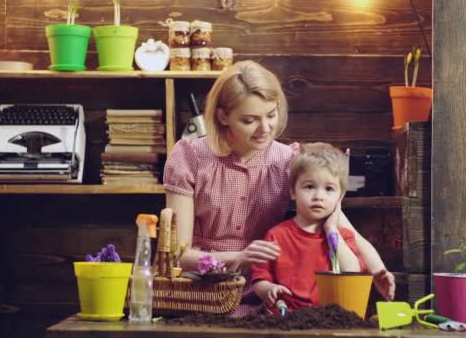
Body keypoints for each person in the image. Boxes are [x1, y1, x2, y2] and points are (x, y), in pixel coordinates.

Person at [163, 61, 394, 316]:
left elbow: (344, 228)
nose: (265, 129)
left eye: (271, 115)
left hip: (271, 289)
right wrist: (239, 257)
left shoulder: (289, 161)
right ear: (222, 116)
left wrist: (378, 271)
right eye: (249, 120)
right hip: (202, 289)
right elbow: (177, 255)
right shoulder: (190, 157)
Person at [251, 142, 368, 314]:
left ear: (340, 197)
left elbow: (352, 272)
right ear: (293, 191)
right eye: (309, 187)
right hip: (286, 316)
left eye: (329, 189)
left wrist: (331, 230)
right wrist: (268, 289)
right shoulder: (276, 236)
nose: (318, 196)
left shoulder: (342, 237)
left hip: (329, 317)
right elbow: (259, 278)